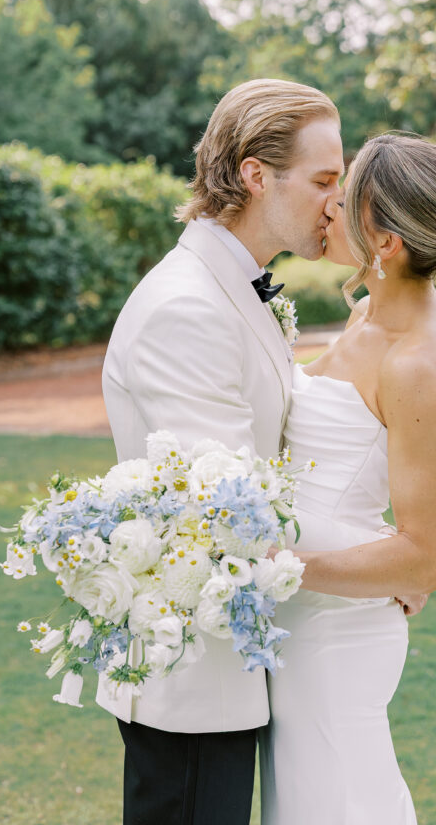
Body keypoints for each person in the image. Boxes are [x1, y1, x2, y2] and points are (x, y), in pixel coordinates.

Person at [97, 78, 345, 825]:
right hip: (191, 677)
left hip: (228, 661)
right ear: (255, 174)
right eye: (323, 180)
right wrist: (378, 569)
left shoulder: (229, 288)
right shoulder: (187, 307)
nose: (336, 201)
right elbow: (231, 516)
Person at [260, 133, 436, 825]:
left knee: (345, 804)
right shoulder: (367, 313)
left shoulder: (419, 361)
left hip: (335, 634)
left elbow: (423, 558)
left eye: (345, 197)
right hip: (301, 618)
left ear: (387, 244)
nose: (328, 205)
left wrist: (278, 567)